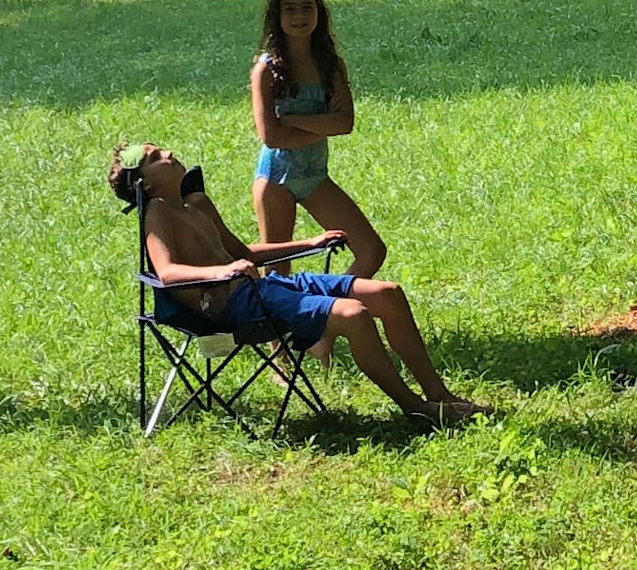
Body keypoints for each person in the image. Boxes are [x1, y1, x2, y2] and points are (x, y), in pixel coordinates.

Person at [116, 137, 477, 427]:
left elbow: (245, 251)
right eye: (156, 156)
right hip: (235, 304)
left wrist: (310, 243)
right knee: (353, 315)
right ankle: (415, 408)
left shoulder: (196, 204)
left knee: (387, 293)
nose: (169, 152)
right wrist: (221, 272)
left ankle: (439, 395)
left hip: (265, 290)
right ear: (145, 182)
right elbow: (166, 272)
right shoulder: (157, 213)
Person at [249, 0, 387, 277]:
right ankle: (286, 323)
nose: (299, 17)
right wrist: (326, 123)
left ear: (319, 14)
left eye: (307, 8)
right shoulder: (267, 69)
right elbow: (272, 137)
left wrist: (291, 120)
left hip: (315, 177)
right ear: (278, 16)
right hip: (276, 179)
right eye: (290, 9)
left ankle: (328, 309)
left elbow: (346, 123)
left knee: (372, 250)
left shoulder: (331, 65)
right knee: (277, 271)